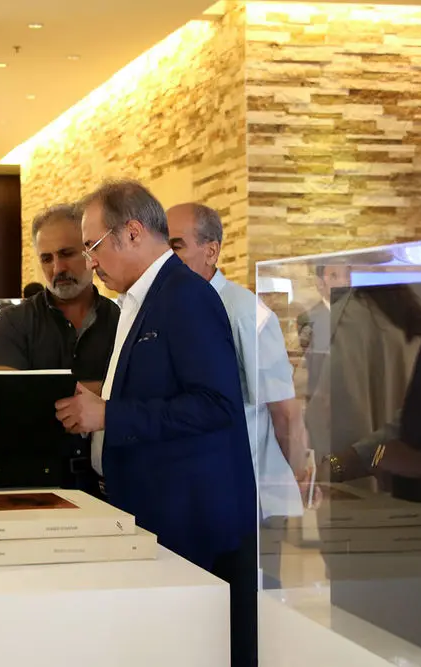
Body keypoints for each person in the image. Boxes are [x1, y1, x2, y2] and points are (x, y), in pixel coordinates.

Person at [54, 180, 258, 667]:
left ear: (132, 232)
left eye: (93, 246)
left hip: (191, 520)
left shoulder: (185, 296)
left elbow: (216, 404)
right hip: (153, 511)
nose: (90, 263)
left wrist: (109, 414)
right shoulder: (140, 299)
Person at [166, 202, 316, 587]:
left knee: (251, 605)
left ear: (211, 250)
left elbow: (284, 411)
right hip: (189, 495)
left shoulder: (246, 312)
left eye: (177, 246)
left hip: (247, 497)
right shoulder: (170, 308)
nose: (167, 257)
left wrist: (299, 472)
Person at [0, 204, 119, 491]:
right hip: (31, 482)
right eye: (46, 258)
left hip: (111, 483)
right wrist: (104, 392)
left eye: (67, 254)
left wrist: (40, 391)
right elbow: (2, 397)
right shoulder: (13, 321)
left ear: (89, 251)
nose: (57, 268)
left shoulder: (123, 320)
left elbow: (145, 395)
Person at [296, 264, 350, 399]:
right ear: (320, 283)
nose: (344, 281)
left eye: (347, 275)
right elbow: (313, 364)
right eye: (334, 276)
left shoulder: (361, 315)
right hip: (322, 399)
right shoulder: (308, 319)